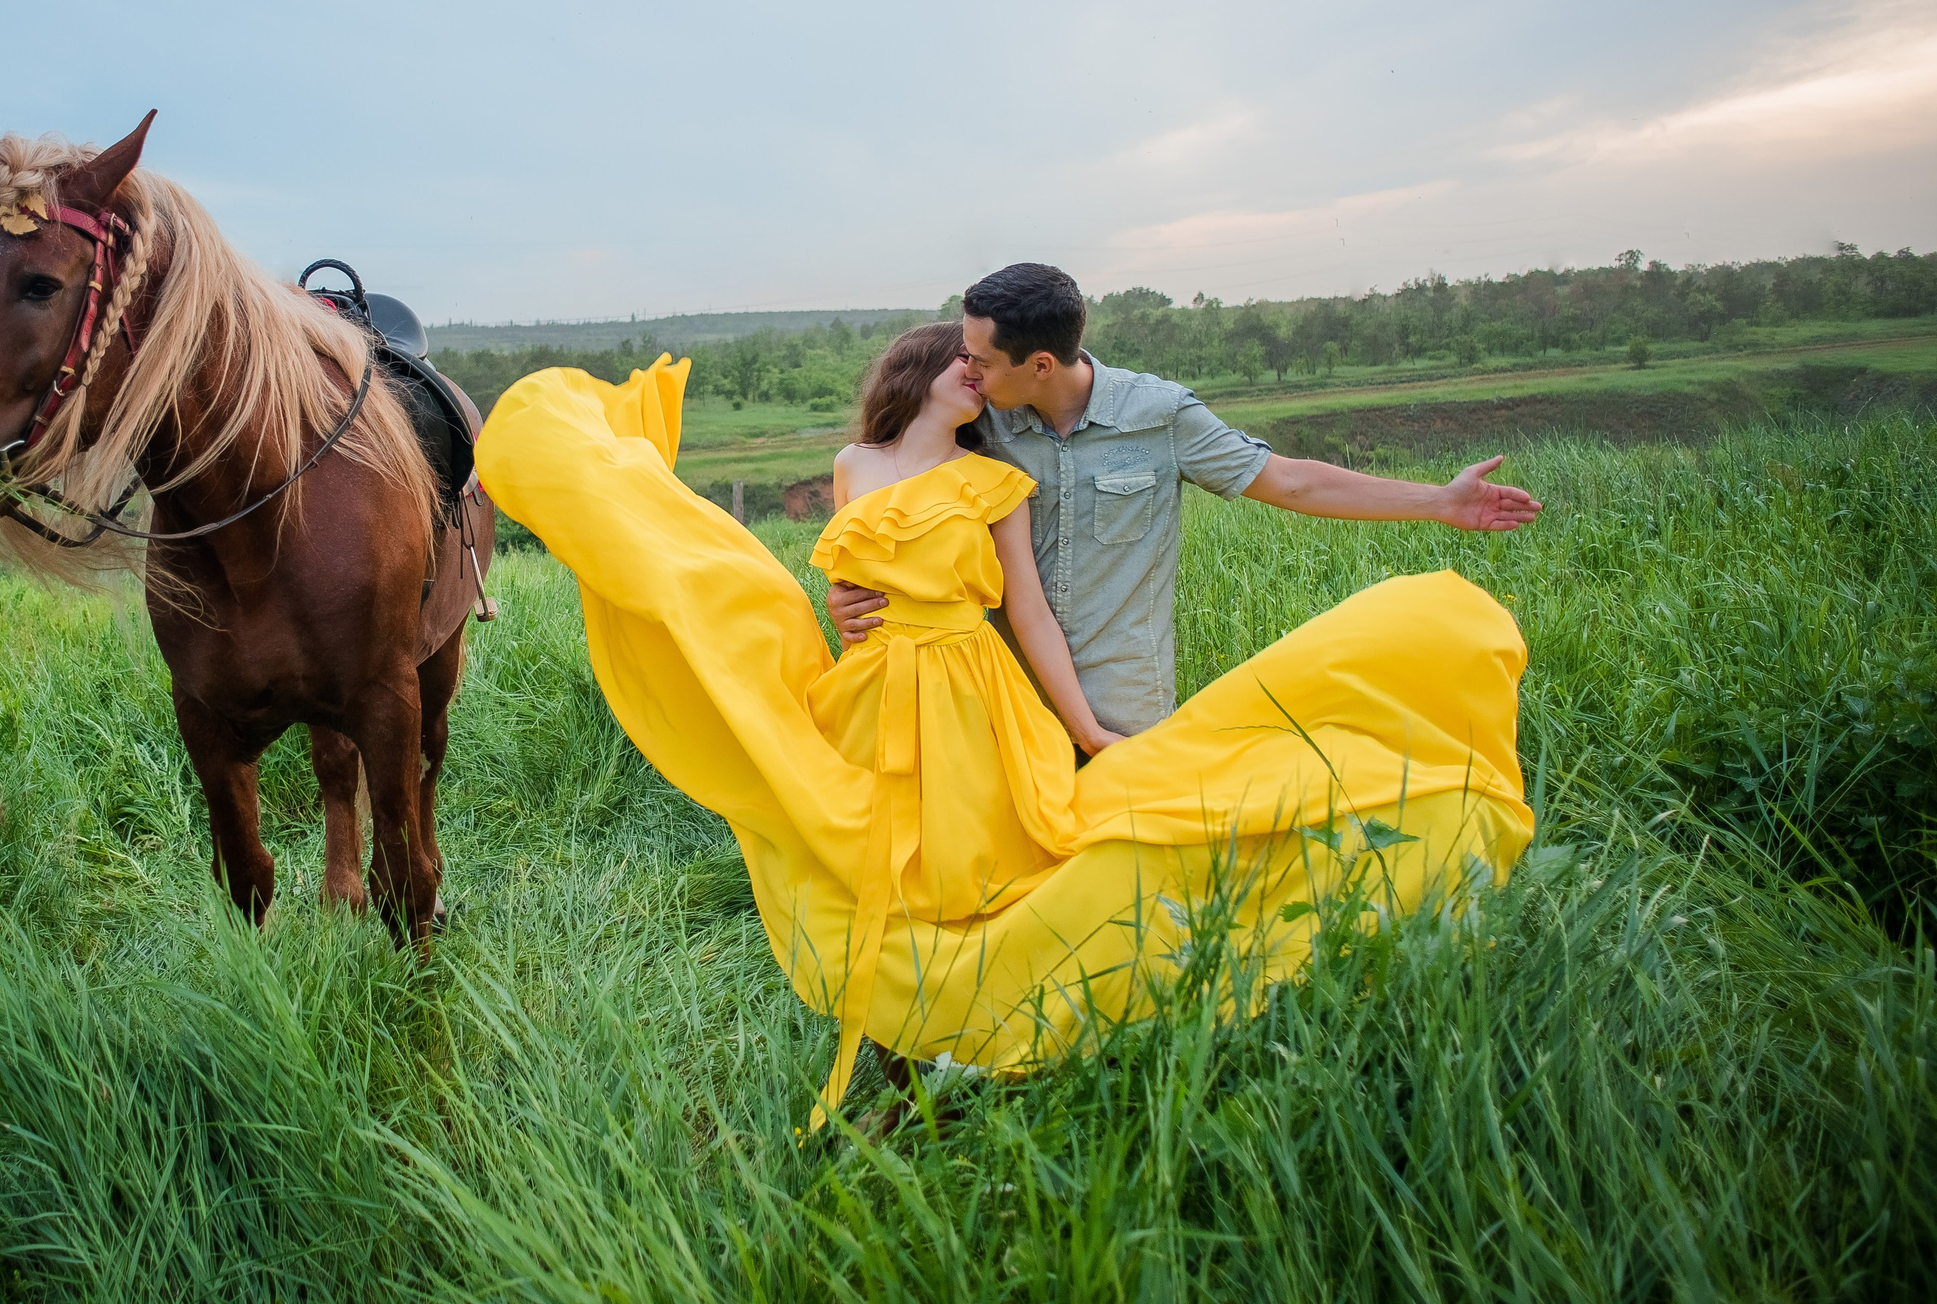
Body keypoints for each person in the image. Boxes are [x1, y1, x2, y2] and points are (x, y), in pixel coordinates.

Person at [473, 328, 1533, 1127]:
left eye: (985, 365)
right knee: (867, 861)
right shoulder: (850, 466)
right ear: (919, 371)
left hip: (972, 690)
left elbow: (1023, 609)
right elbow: (850, 590)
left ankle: (1008, 1035)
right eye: (959, 362)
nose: (974, 376)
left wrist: (1086, 724)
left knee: (984, 874)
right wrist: (841, 621)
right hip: (876, 689)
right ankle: (904, 1044)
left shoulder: (995, 478)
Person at [830, 263, 1543, 741]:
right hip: (998, 697)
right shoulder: (978, 423)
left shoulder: (1160, 414)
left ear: (1039, 364)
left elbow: (1289, 480)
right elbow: (896, 497)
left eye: (982, 360)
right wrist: (851, 594)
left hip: (1125, 698)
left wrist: (1439, 501)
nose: (972, 371)